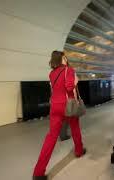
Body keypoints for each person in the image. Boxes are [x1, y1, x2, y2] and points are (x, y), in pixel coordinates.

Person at [33, 51, 86, 180]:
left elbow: (55, 89)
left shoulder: (51, 74)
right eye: (65, 57)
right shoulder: (69, 70)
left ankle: (38, 173)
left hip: (55, 107)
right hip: (68, 106)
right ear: (62, 58)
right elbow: (68, 87)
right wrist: (75, 81)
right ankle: (79, 151)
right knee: (75, 128)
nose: (66, 59)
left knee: (51, 137)